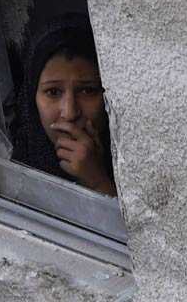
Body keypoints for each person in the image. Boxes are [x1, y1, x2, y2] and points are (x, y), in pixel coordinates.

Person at [12, 14, 117, 197]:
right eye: (53, 92)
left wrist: (97, 181)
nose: (70, 113)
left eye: (88, 91)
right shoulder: (9, 168)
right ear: (32, 96)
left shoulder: (138, 166)